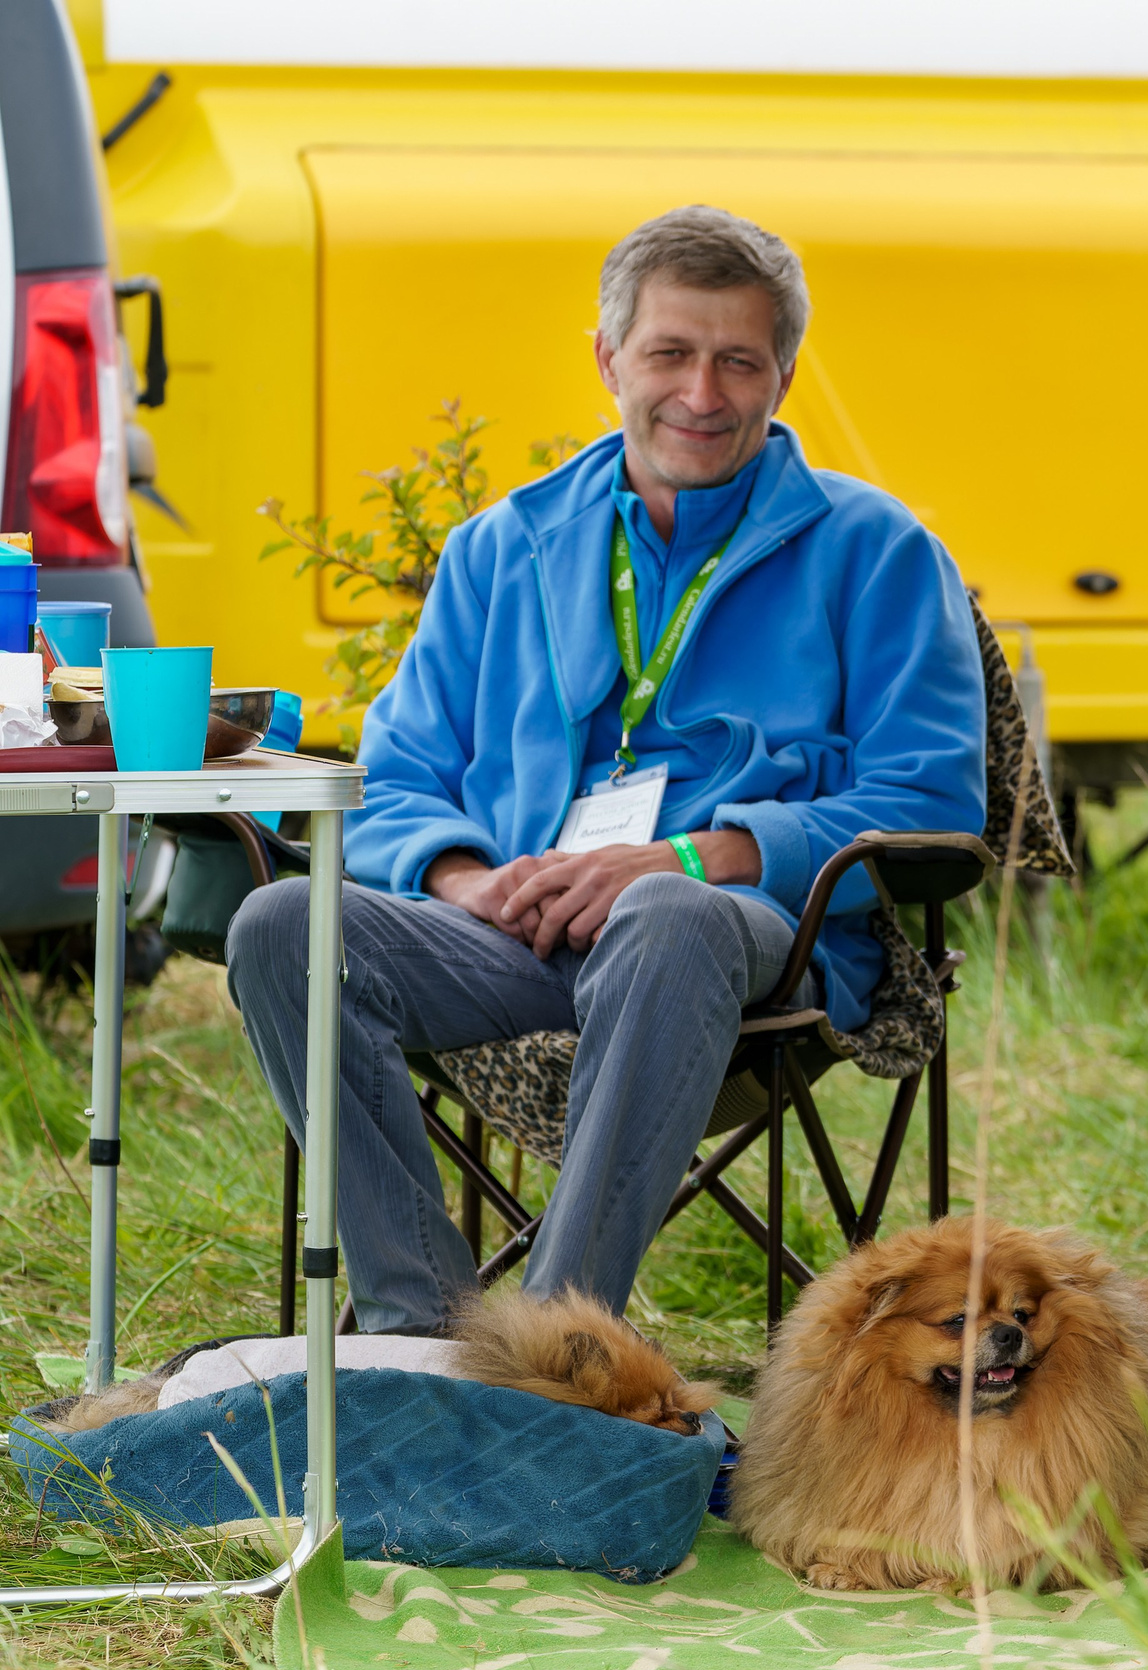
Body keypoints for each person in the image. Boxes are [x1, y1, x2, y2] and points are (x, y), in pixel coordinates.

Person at [228, 206, 987, 1334]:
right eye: (670, 354)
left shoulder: (876, 550)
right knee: (283, 925)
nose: (702, 393)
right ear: (607, 357)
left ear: (784, 372)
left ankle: (554, 1344)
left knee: (668, 915)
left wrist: (692, 853)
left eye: (738, 360)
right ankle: (424, 1329)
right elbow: (391, 780)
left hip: (743, 941)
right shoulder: (502, 545)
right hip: (515, 931)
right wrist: (470, 882)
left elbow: (932, 805)